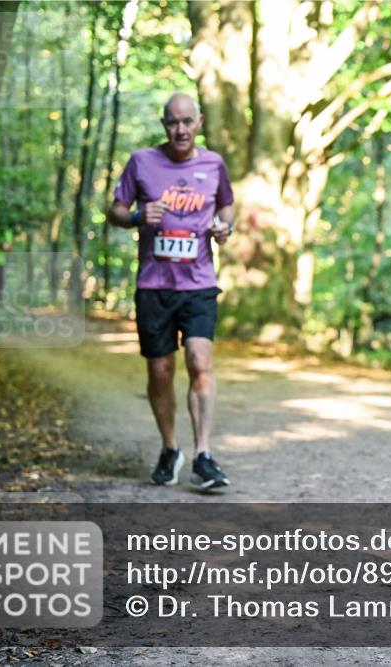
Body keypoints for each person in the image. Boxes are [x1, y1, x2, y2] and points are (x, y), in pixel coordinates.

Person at [106, 93, 236, 490]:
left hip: (198, 283)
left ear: (199, 123)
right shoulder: (142, 162)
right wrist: (135, 217)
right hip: (153, 285)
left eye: (187, 122)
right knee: (160, 372)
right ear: (164, 125)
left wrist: (223, 227)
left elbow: (228, 206)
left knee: (200, 361)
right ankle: (170, 448)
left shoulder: (213, 164)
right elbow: (113, 210)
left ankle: (204, 455)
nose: (180, 130)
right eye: (172, 123)